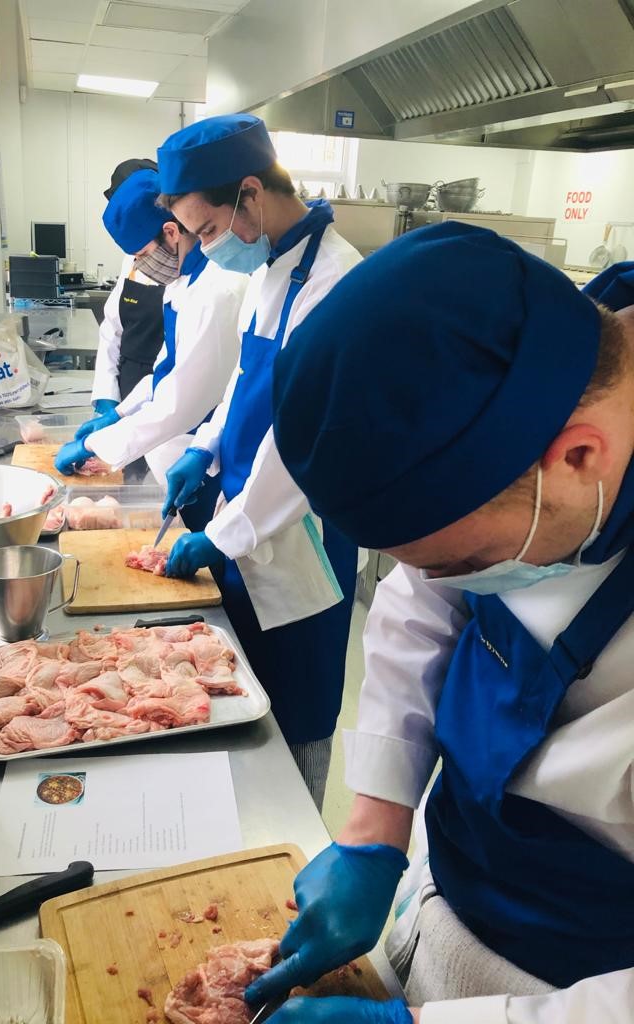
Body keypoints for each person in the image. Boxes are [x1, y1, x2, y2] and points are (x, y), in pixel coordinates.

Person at [244, 221, 634, 1023]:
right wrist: (377, 822)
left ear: (579, 457)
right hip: (447, 896)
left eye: (466, 565)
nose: (446, 584)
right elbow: (424, 594)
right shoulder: (543, 365)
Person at [153, 113, 362, 808]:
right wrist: (204, 450)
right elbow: (245, 385)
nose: (206, 250)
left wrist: (222, 533)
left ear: (249, 193)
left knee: (294, 728)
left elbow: (301, 449)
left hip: (300, 550)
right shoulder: (271, 271)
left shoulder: (334, 284)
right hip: (244, 527)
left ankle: (289, 862)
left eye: (207, 230)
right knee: (236, 710)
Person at [54, 167, 246, 531]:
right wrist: (118, 413)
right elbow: (165, 371)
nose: (139, 266)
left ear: (172, 231)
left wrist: (97, 445)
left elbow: (180, 402)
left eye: (141, 255)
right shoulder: (182, 282)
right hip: (182, 447)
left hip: (214, 455)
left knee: (217, 560)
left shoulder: (217, 290)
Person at [86, 158, 180, 483]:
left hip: (167, 398)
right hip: (132, 387)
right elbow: (112, 328)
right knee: (130, 484)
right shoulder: (136, 251)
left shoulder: (175, 260)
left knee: (159, 483)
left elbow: (184, 373)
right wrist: (107, 400)